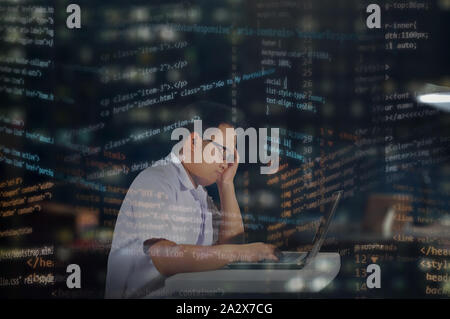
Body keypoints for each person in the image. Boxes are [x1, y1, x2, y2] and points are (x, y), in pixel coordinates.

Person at [105, 102, 280, 298]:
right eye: (221, 150)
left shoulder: (199, 194)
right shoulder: (156, 180)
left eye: (230, 154)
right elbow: (164, 258)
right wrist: (239, 253)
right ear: (193, 143)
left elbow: (232, 245)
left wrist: (226, 185)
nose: (226, 161)